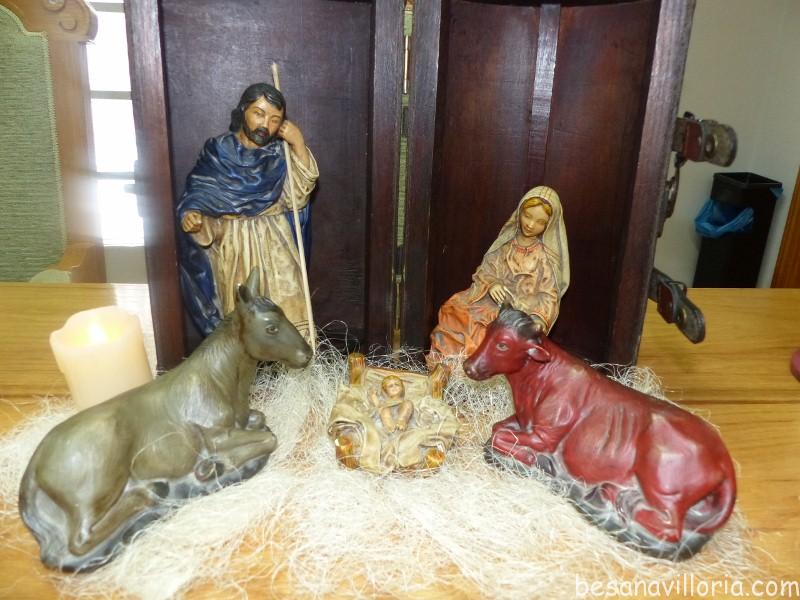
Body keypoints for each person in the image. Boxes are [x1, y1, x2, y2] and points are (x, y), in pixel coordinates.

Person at [176, 82, 319, 337]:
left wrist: (298, 143)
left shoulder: (280, 153)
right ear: (243, 110)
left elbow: (298, 196)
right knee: (245, 319)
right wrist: (192, 215)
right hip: (236, 244)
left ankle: (293, 359)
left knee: (289, 310)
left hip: (276, 243)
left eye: (275, 120)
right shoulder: (219, 150)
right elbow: (199, 190)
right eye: (259, 114)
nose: (266, 125)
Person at [428, 185, 569, 363]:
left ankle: (474, 366)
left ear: (548, 225)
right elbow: (485, 271)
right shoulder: (505, 246)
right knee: (454, 309)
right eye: (527, 215)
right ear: (519, 212)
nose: (530, 224)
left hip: (518, 312)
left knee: (486, 333)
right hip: (489, 304)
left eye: (540, 222)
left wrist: (537, 320)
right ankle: (450, 365)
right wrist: (492, 284)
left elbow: (549, 296)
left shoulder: (545, 259)